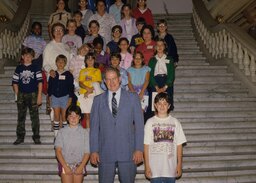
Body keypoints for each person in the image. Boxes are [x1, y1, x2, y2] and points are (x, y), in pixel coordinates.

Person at [90, 67, 144, 183]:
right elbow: (94, 128)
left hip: (128, 152)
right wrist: (94, 150)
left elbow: (139, 126)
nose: (111, 82)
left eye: (114, 78)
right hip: (105, 152)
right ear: (104, 81)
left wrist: (139, 149)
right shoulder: (97, 100)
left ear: (119, 79)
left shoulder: (133, 98)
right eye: (108, 80)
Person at [144, 92, 187, 183]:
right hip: (154, 170)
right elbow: (146, 146)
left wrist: (179, 164)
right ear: (155, 105)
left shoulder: (175, 122)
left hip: (171, 169)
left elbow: (179, 145)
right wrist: (147, 166)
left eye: (165, 103)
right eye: (159, 103)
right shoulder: (149, 122)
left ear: (169, 106)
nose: (162, 106)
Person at [12, 47, 42, 145]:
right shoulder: (19, 68)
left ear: (32, 57)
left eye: (30, 56)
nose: (28, 58)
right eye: (26, 56)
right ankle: (20, 137)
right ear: (22, 57)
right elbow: (15, 82)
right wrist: (17, 94)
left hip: (33, 94)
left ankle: (36, 137)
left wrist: (39, 96)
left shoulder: (36, 67)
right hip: (21, 94)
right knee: (21, 117)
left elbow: (40, 83)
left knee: (35, 117)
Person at [55, 105, 90, 183]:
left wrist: (81, 167)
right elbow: (58, 151)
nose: (73, 119)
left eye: (76, 116)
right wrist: (65, 166)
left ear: (80, 117)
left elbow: (87, 152)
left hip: (79, 165)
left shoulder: (85, 133)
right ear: (67, 118)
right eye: (71, 116)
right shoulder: (61, 132)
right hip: (65, 164)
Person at [48, 55, 74, 137]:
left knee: (64, 116)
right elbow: (50, 87)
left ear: (65, 63)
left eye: (62, 62)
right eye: (59, 61)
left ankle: (65, 136)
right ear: (56, 63)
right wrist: (49, 98)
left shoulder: (68, 74)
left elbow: (71, 87)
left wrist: (70, 98)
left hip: (65, 97)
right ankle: (56, 136)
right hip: (55, 97)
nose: (60, 63)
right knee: (56, 116)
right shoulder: (53, 74)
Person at [148, 38, 175, 114]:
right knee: (155, 104)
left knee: (166, 103)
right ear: (155, 47)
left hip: (166, 82)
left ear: (164, 47)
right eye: (158, 45)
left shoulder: (169, 59)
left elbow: (171, 74)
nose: (159, 47)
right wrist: (156, 87)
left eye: (161, 45)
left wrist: (165, 87)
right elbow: (150, 74)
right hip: (155, 82)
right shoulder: (152, 60)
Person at [78, 52, 102, 128]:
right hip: (83, 94)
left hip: (93, 94)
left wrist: (89, 91)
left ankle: (94, 134)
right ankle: (88, 134)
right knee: (87, 116)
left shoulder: (97, 71)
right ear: (85, 61)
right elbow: (80, 83)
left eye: (92, 59)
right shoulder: (82, 71)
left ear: (94, 60)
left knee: (94, 115)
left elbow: (98, 82)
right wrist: (86, 89)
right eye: (88, 59)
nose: (90, 61)